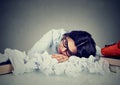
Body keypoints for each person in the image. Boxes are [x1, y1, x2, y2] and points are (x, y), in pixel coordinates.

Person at [0, 29, 105, 75]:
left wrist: (70, 59)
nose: (63, 50)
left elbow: (99, 53)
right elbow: (30, 56)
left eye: (69, 52)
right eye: (65, 43)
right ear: (65, 36)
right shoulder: (52, 35)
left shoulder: (86, 45)